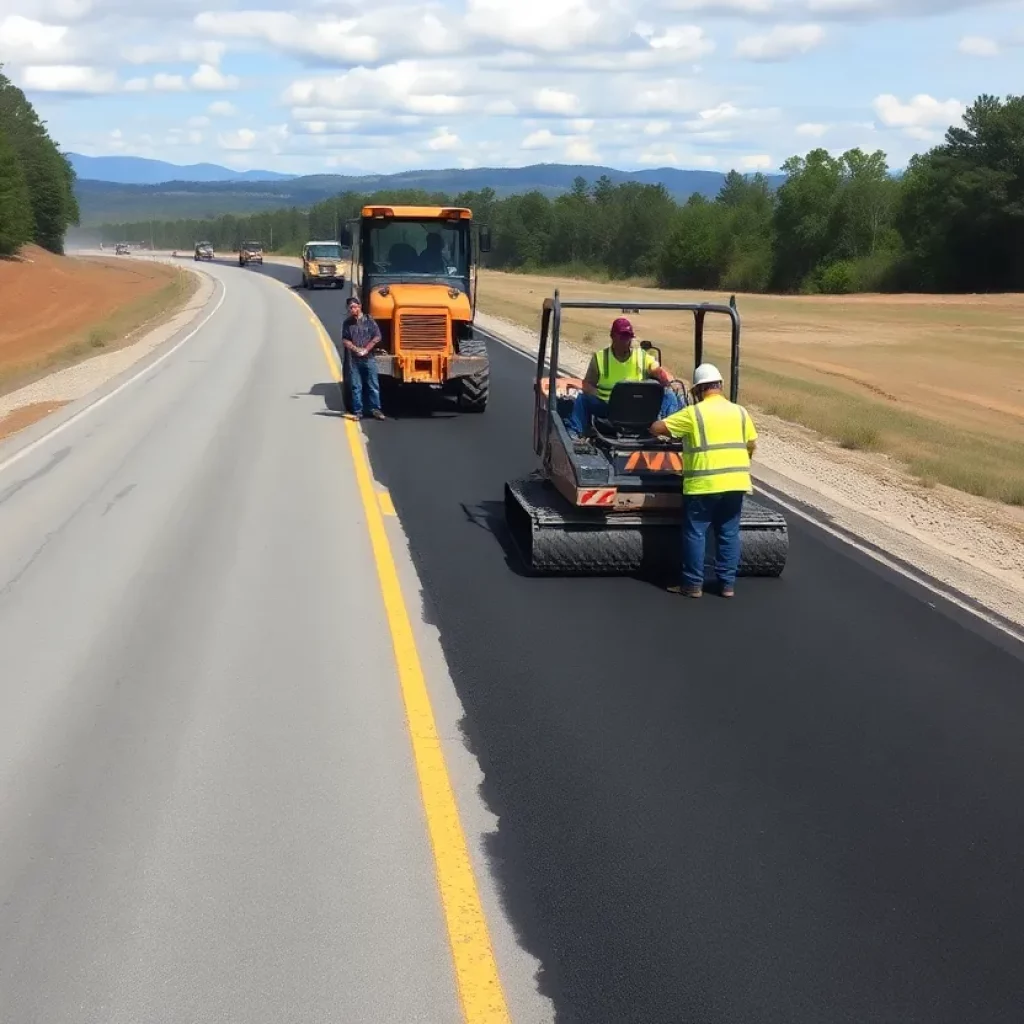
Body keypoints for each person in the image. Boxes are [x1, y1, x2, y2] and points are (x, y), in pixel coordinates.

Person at [649, 362, 758, 599]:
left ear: (697, 390)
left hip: (703, 485)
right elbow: (751, 444)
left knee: (695, 533)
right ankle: (727, 586)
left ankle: (692, 585)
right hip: (736, 483)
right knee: (729, 533)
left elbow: (657, 428)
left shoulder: (693, 414)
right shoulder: (740, 412)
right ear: (719, 386)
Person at [567, 317, 687, 435]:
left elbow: (656, 370)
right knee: (582, 399)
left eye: (628, 337)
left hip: (639, 405)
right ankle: (575, 434)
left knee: (669, 394)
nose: (626, 341)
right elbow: (587, 384)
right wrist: (597, 394)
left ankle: (670, 432)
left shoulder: (641, 356)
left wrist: (664, 380)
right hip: (609, 407)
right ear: (612, 336)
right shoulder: (600, 358)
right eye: (623, 336)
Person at [341, 295, 385, 420]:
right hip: (354, 360)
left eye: (354, 307)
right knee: (356, 386)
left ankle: (375, 409)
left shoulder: (369, 321)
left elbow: (377, 336)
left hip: (369, 358)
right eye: (350, 308)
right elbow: (345, 340)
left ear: (359, 306)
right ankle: (358, 412)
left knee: (373, 385)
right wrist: (356, 349)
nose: (352, 310)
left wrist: (366, 349)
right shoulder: (347, 323)